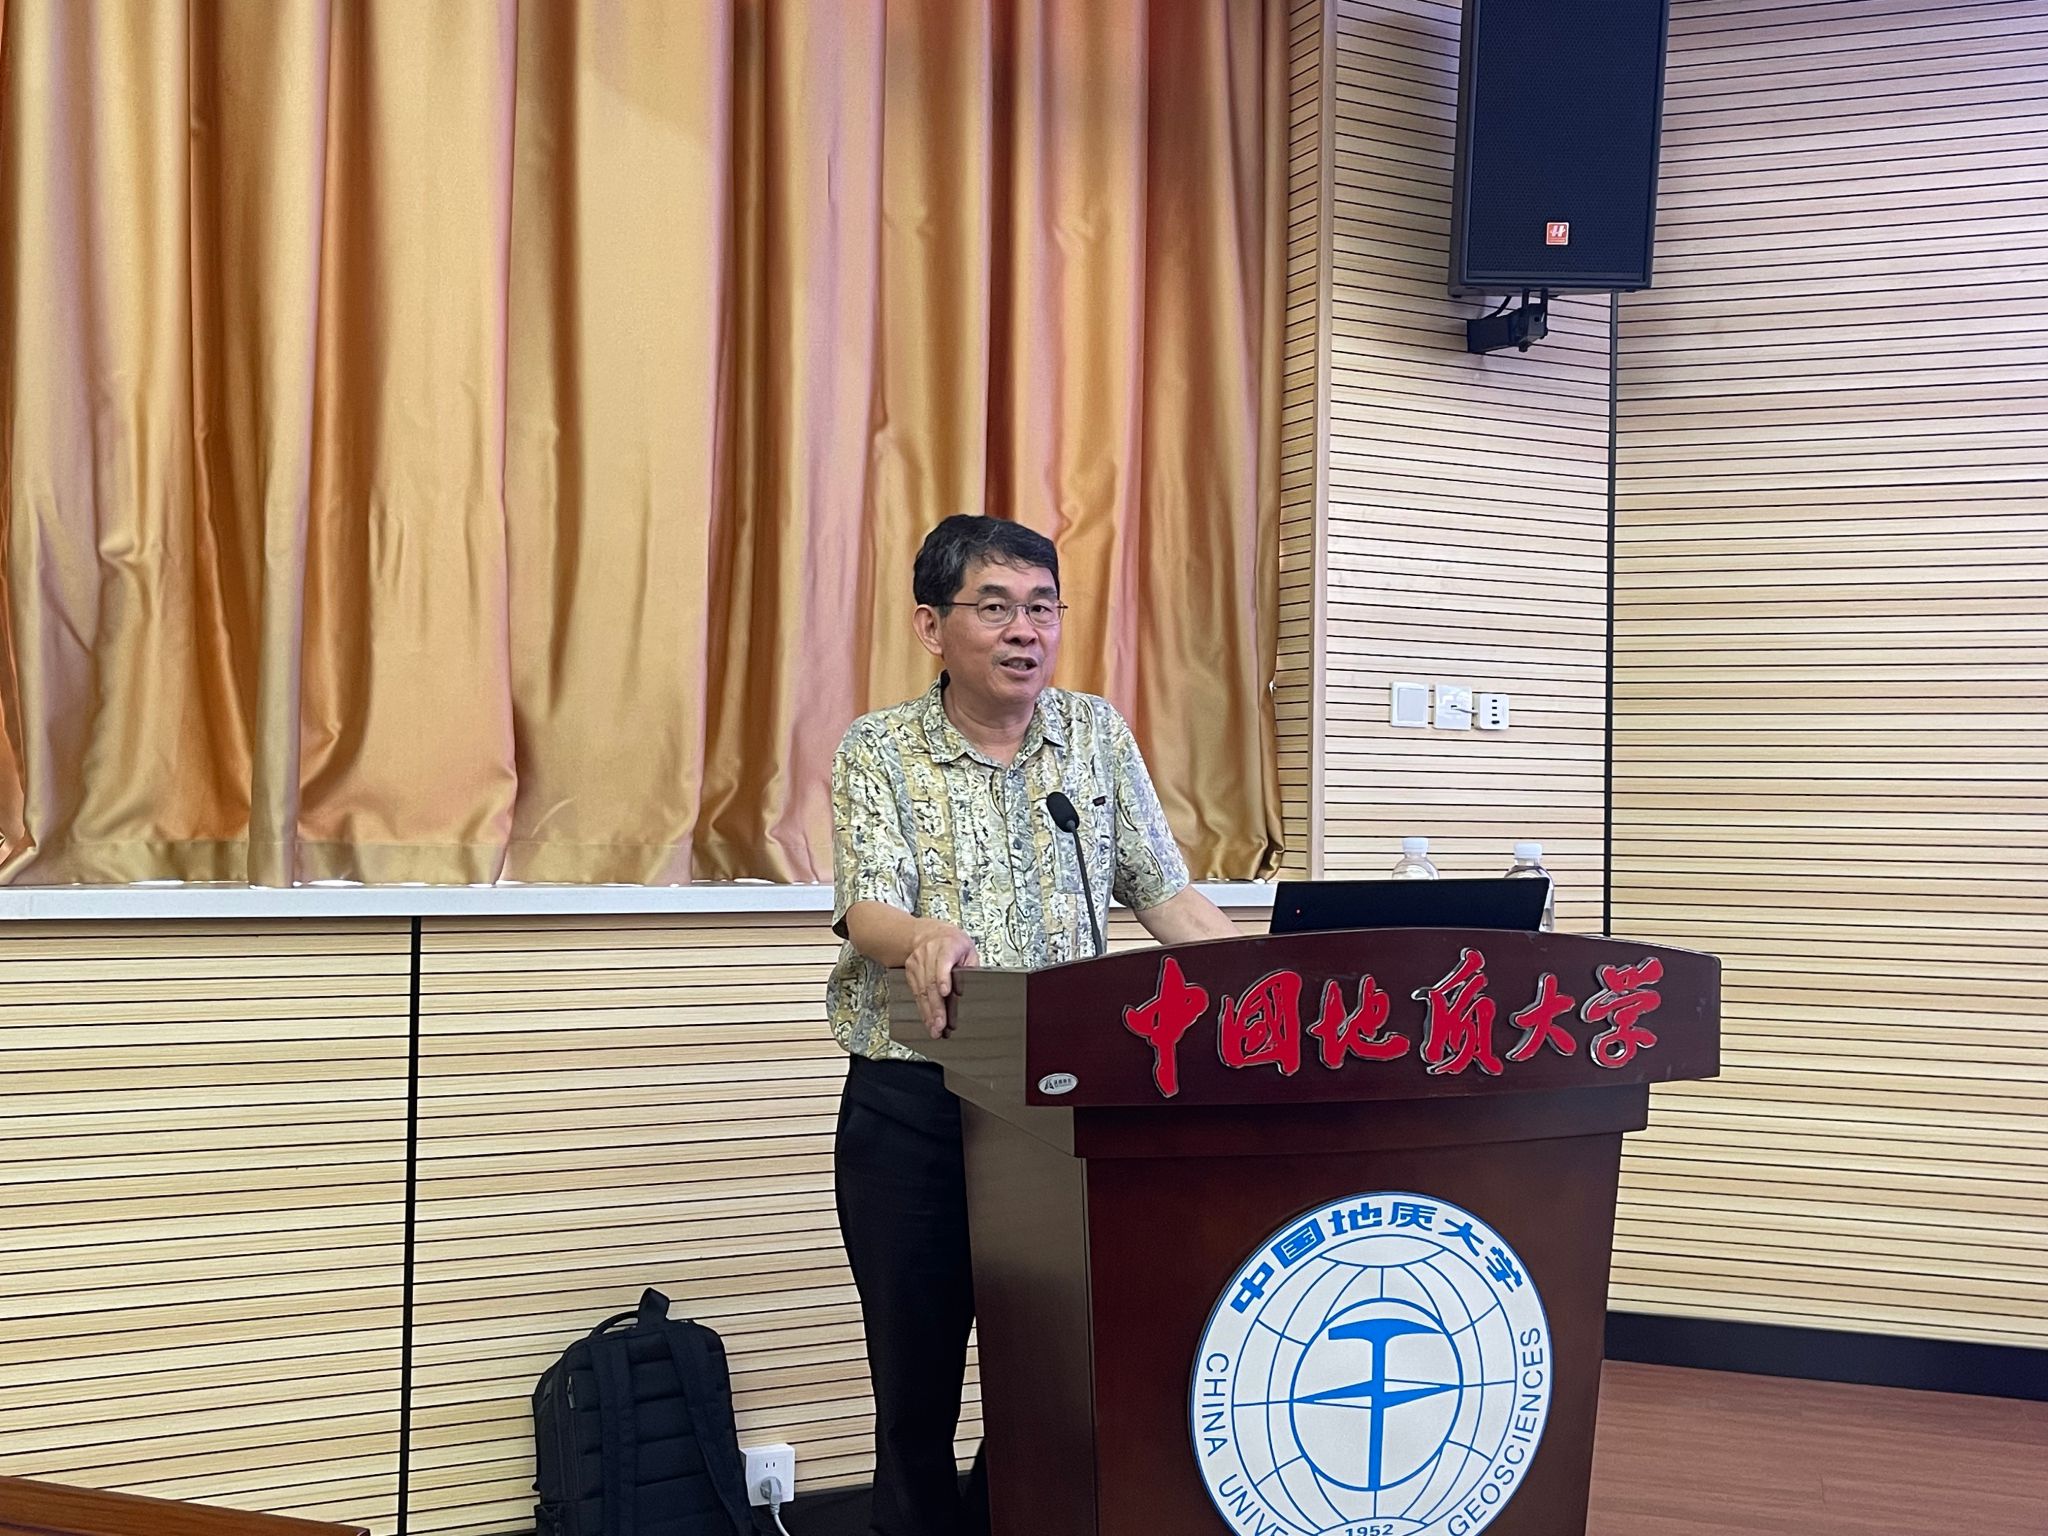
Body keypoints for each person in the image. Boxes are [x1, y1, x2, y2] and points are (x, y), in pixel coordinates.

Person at [826, 514, 1237, 1536]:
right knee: (915, 1393)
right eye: (997, 607)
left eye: (1043, 607)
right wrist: (923, 935)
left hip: (1057, 1108)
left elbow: (1164, 894)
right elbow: (868, 908)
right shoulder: (880, 749)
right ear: (931, 625)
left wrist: (1264, 984)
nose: (1026, 631)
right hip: (915, 1105)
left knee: (1056, 1370)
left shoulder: (1094, 735)